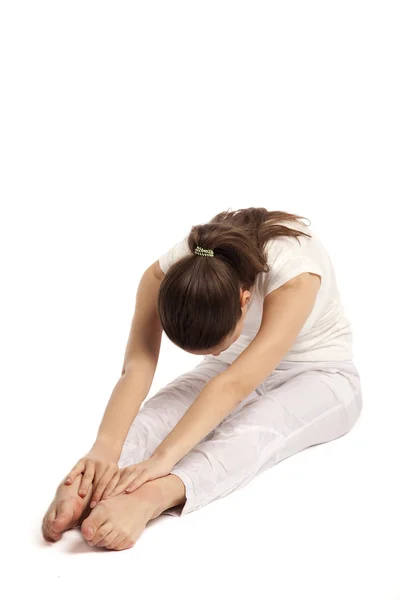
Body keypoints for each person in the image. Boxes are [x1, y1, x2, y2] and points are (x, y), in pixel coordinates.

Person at [41, 207, 363, 551]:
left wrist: (161, 463)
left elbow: (235, 385)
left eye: (211, 347)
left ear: (245, 299)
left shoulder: (295, 275)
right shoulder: (173, 270)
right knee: (160, 412)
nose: (207, 357)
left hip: (321, 373)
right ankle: (91, 482)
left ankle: (153, 497)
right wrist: (105, 448)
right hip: (236, 364)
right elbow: (138, 366)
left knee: (253, 430)